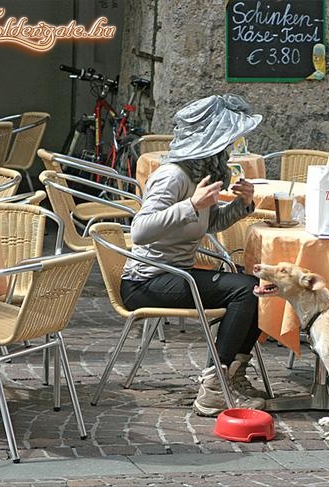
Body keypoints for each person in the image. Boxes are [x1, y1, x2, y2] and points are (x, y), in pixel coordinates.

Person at [120, 94, 267, 417]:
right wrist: (191, 205)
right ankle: (214, 387)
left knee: (258, 288)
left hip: (175, 272)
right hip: (146, 280)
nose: (231, 148)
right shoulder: (173, 176)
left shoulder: (201, 173)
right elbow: (141, 230)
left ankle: (231, 375)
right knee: (245, 290)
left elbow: (209, 224)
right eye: (227, 141)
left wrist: (241, 205)